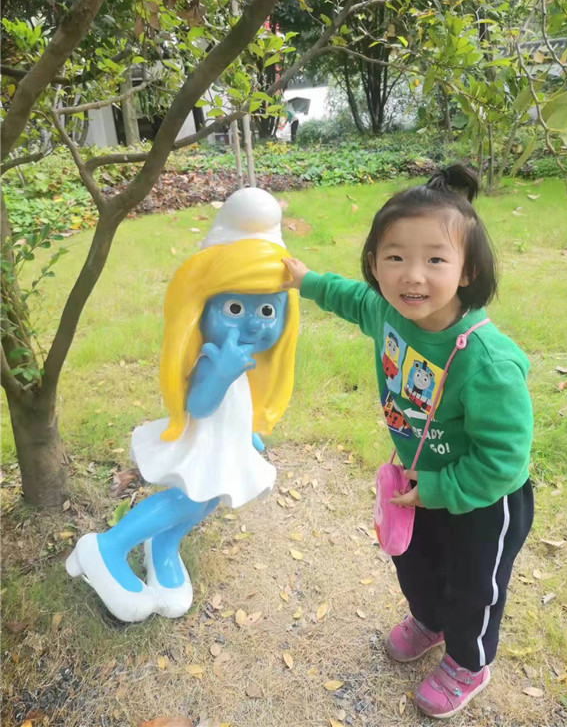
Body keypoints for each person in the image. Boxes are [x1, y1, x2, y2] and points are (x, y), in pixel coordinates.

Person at [281, 165, 533, 720]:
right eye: (395, 257)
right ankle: (429, 619)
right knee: (416, 562)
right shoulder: (386, 313)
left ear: (468, 270)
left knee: (473, 587)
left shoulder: (487, 362)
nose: (412, 275)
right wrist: (306, 280)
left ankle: (468, 662)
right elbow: (351, 298)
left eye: (435, 260)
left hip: (482, 500)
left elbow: (502, 459)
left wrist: (440, 488)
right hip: (418, 481)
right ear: (375, 264)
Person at [67, 188, 299, 622]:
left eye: (269, 310)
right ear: (200, 308)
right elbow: (201, 404)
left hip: (222, 444)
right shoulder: (214, 359)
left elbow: (237, 406)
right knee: (191, 500)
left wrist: (246, 434)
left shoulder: (241, 360)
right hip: (201, 439)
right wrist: (222, 373)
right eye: (235, 307)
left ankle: (164, 545)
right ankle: (107, 547)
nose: (254, 322)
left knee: (207, 502)